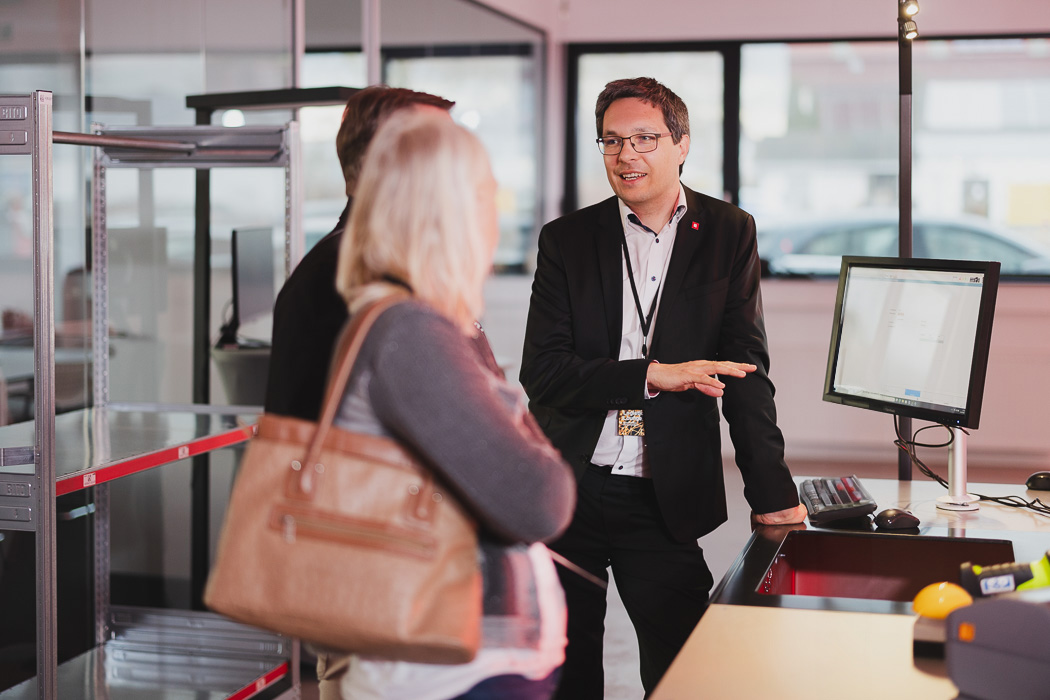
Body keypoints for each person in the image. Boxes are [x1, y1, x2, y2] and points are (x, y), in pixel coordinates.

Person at [519, 77, 808, 699]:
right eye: (613, 141)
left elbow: (745, 371)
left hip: (662, 487)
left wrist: (772, 492)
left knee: (684, 669)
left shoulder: (729, 231)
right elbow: (542, 372)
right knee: (565, 670)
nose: (628, 155)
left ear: (680, 144)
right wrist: (651, 375)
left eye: (645, 138)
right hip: (570, 483)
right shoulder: (567, 239)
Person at [331, 110, 576, 700]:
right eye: (486, 197)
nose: (496, 219)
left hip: (456, 662)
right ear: (451, 214)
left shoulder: (415, 319)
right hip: (449, 674)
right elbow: (541, 499)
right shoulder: (411, 334)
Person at [264, 85, 455, 422]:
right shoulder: (350, 270)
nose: (456, 169)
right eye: (438, 151)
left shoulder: (389, 260)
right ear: (383, 162)